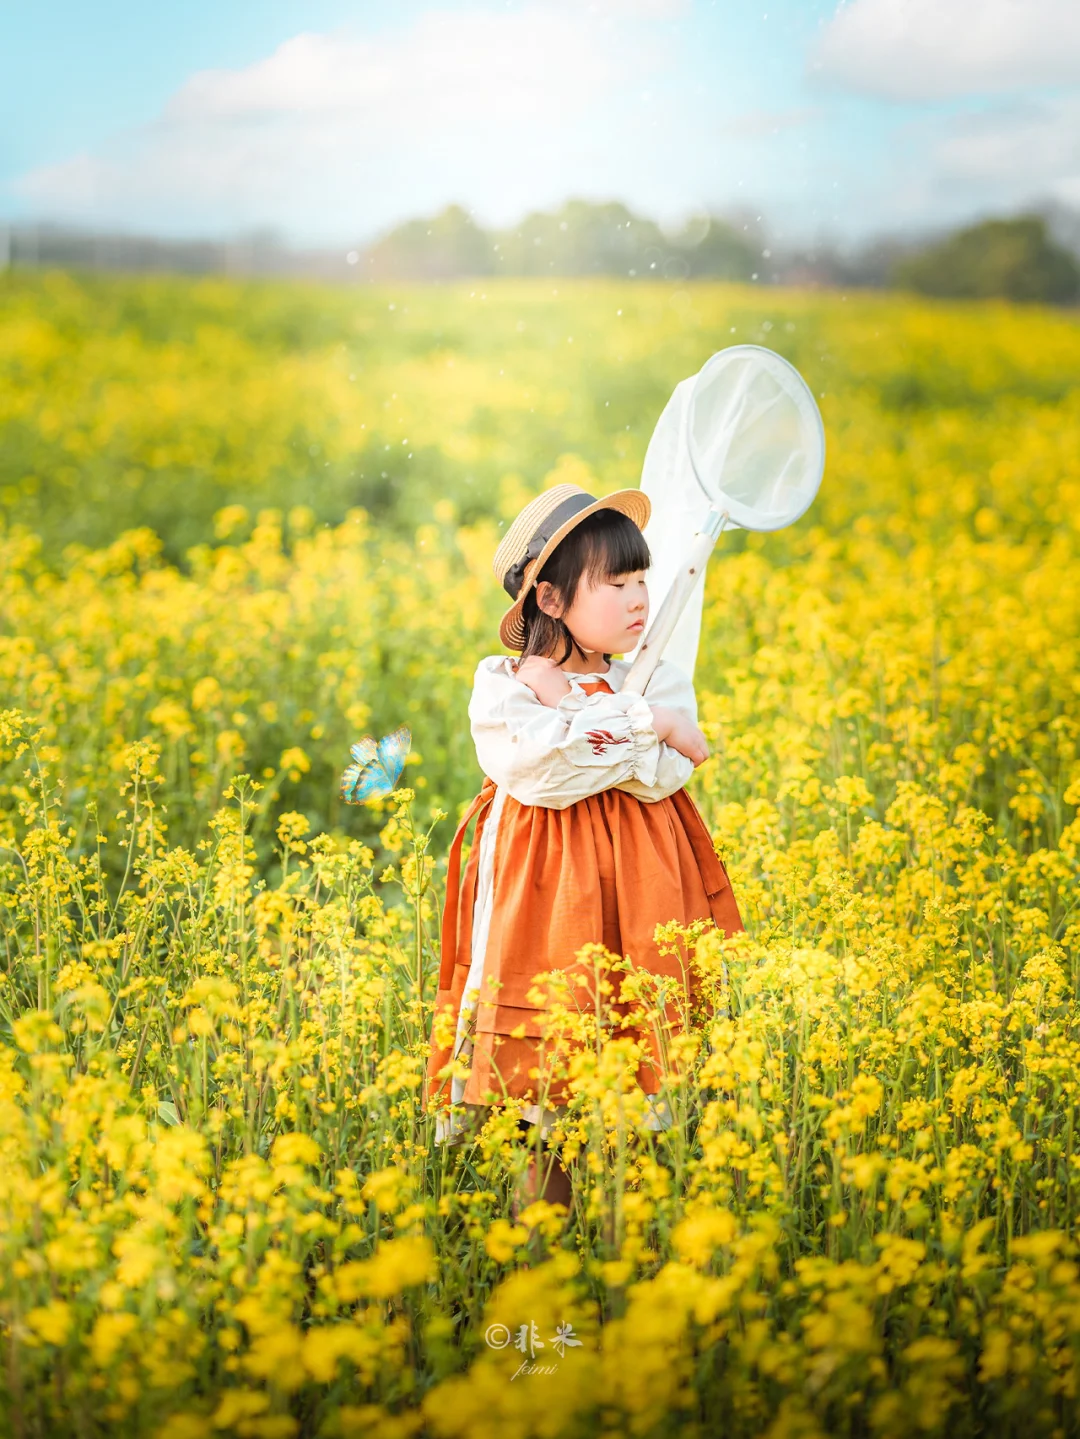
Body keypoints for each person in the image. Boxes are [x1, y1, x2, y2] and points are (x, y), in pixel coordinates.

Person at [425, 481, 744, 1220]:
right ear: (551, 600)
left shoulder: (651, 675)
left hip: (642, 890)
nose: (640, 599)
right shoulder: (509, 686)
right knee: (550, 1086)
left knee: (644, 1068)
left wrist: (636, 723)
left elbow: (665, 771)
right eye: (617, 582)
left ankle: (638, 1251)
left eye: (643, 580)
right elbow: (542, 771)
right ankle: (542, 1258)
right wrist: (644, 723)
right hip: (548, 899)